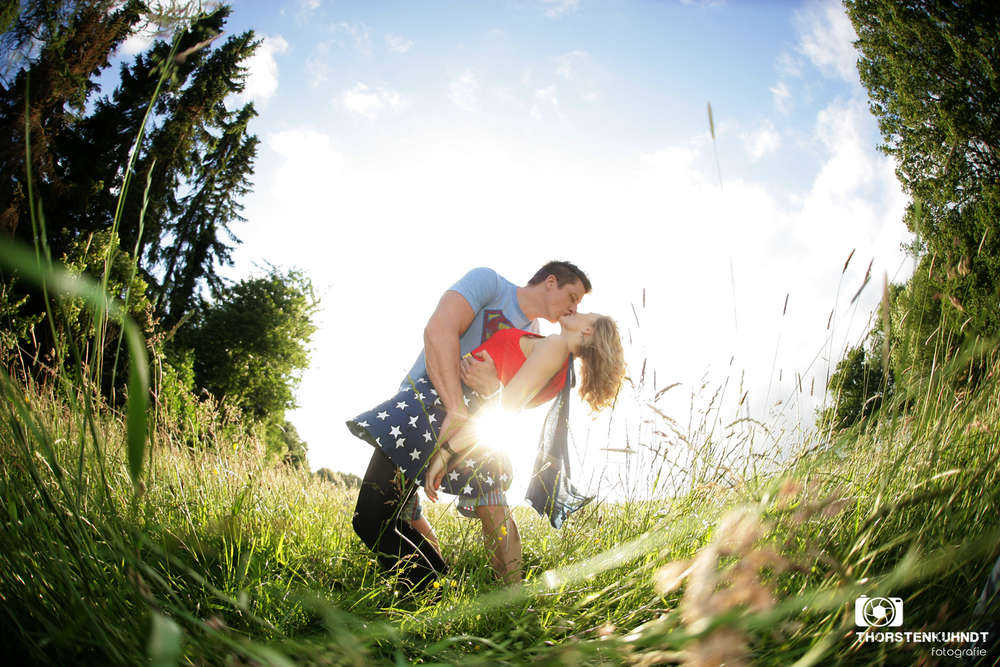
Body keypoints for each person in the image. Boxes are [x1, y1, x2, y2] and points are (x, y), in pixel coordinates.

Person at [345, 261, 593, 589]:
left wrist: (489, 392)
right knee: (394, 514)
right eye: (572, 296)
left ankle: (441, 590)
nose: (573, 308)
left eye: (579, 304)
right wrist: (454, 407)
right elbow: (439, 330)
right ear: (550, 282)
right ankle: (431, 586)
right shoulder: (490, 283)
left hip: (462, 431)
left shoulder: (535, 336)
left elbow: (507, 402)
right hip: (423, 407)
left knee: (386, 516)